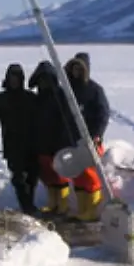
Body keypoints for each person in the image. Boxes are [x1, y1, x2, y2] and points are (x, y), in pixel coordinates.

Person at [0, 63, 39, 215]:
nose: (14, 81)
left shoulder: (30, 98)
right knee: (19, 179)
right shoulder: (1, 100)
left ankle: (29, 205)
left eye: (17, 78)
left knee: (32, 178)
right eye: (12, 78)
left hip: (32, 145)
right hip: (13, 145)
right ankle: (27, 208)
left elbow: (45, 119)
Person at [63, 51, 110, 221]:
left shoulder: (94, 90)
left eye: (79, 69)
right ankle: (82, 208)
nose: (76, 72)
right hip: (73, 139)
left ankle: (93, 210)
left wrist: (97, 135)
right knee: (78, 175)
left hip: (90, 140)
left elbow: (103, 114)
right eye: (73, 68)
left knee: (90, 174)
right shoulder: (68, 90)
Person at [28, 60, 75, 217]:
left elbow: (66, 119)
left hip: (58, 142)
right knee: (47, 174)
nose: (44, 82)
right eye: (41, 79)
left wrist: (64, 140)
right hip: (42, 142)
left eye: (47, 79)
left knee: (60, 174)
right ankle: (52, 202)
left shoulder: (60, 96)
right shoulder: (38, 98)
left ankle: (63, 204)